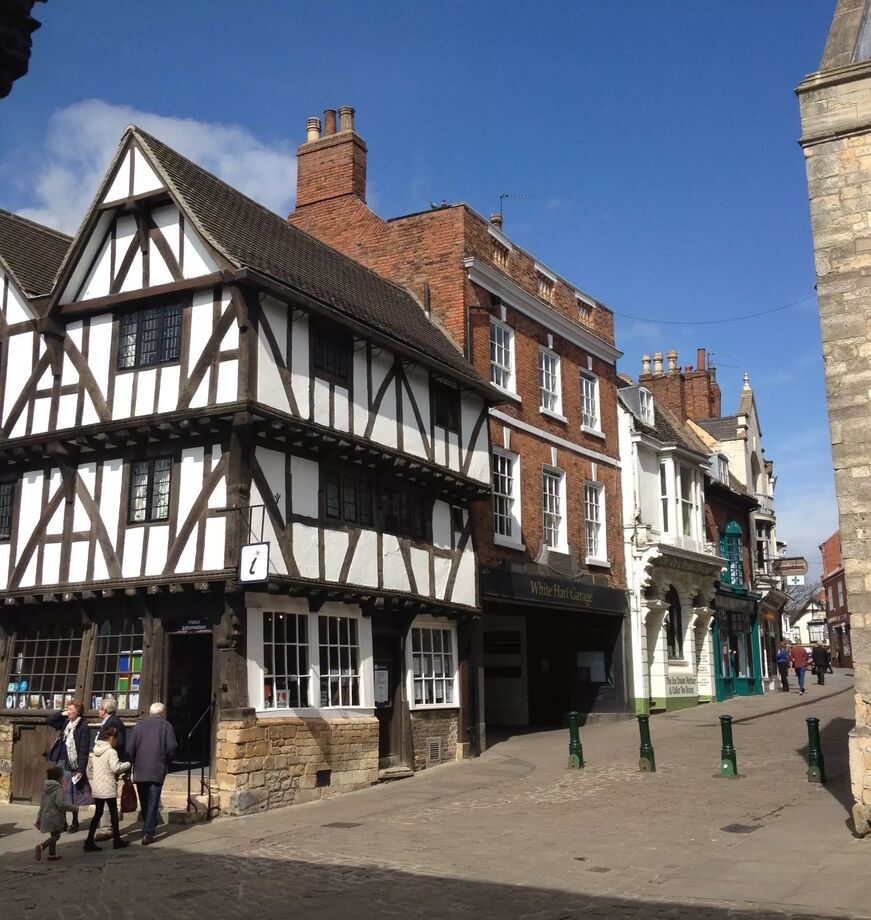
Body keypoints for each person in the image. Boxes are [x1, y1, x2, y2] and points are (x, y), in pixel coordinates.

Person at [127, 701, 177, 845]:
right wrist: (166, 761)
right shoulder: (166, 725)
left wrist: (132, 763)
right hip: (157, 768)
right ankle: (148, 833)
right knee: (153, 802)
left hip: (140, 769)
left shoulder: (139, 725)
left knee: (144, 801)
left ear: (150, 712)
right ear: (162, 713)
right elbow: (171, 747)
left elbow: (130, 748)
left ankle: (149, 825)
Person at [46, 700, 93, 832]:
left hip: (73, 764)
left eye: (71, 709)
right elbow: (49, 720)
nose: (69, 712)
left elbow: (84, 751)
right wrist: (62, 713)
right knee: (61, 795)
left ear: (78, 711)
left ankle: (75, 822)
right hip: (61, 762)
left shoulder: (83, 727)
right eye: (68, 709)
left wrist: (81, 769)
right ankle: (63, 822)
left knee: (72, 795)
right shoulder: (66, 723)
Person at [83, 727, 131, 852]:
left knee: (98, 813)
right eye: (116, 739)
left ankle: (89, 840)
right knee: (113, 813)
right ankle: (117, 840)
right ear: (111, 738)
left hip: (98, 786)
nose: (117, 741)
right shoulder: (111, 752)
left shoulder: (96, 750)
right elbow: (116, 768)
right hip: (108, 786)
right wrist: (127, 764)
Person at [94, 697, 126, 842]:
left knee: (108, 798)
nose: (98, 711)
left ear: (105, 710)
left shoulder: (113, 723)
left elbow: (118, 743)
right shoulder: (108, 722)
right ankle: (107, 828)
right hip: (105, 764)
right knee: (105, 798)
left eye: (100, 708)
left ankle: (106, 829)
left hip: (109, 764)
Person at [34, 765, 68, 861]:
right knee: (56, 836)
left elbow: (42, 805)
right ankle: (42, 846)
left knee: (53, 834)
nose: (63, 779)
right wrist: (73, 807)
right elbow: (60, 804)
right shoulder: (58, 790)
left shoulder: (46, 789)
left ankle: (52, 855)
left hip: (46, 816)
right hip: (54, 817)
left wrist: (39, 818)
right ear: (59, 778)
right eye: (62, 777)